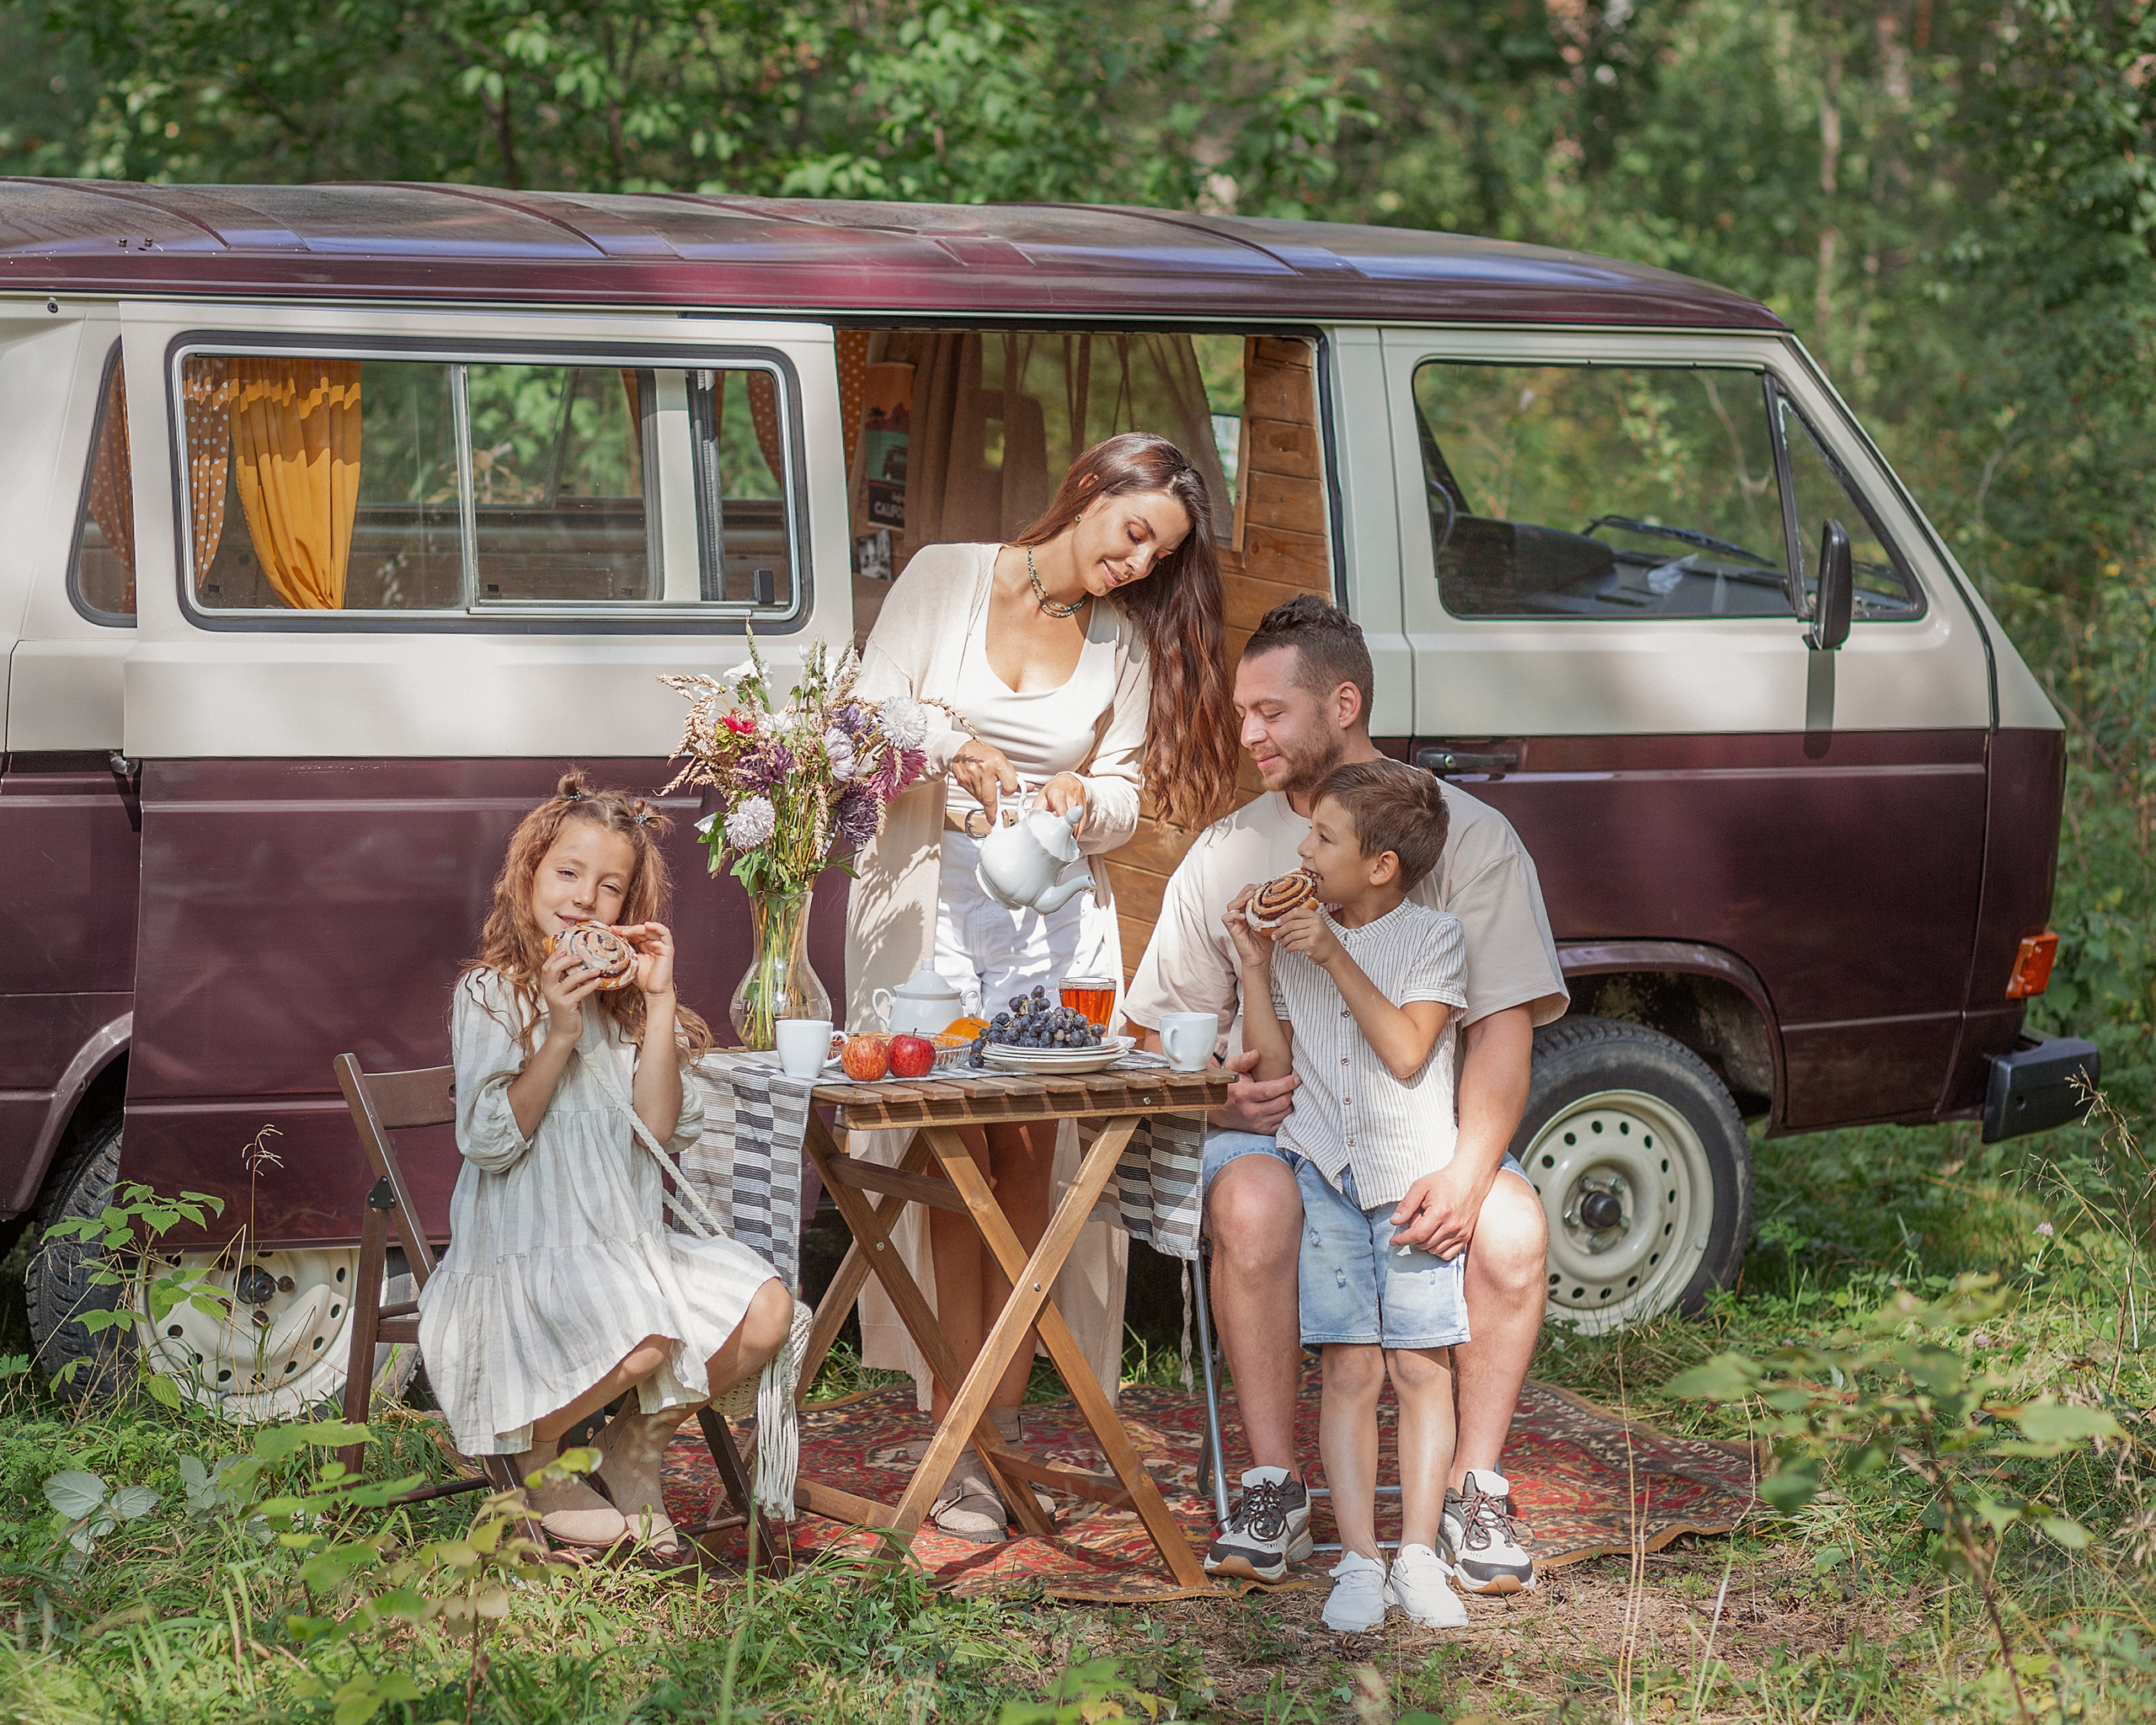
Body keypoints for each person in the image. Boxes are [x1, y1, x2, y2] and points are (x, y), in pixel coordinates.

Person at [1123, 595, 1568, 1591]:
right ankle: (1275, 1484)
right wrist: (1212, 1099)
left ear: (1344, 702)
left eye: (1270, 712)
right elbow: (1151, 1028)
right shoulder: (1226, 852)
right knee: (1250, 1196)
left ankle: (1474, 1491)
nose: (1248, 736)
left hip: (1424, 1130)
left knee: (1510, 1227)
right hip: (1284, 1134)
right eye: (1242, 714)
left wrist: (1464, 1168)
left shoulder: (1468, 841)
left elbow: (1501, 1024)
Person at [847, 431, 1241, 1542]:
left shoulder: (1119, 642)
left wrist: (1082, 800)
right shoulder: (944, 576)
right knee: (949, 1158)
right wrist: (949, 744)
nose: (1136, 566)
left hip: (1052, 932)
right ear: (1089, 493)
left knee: (1028, 1166)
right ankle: (951, 1428)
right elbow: (868, 714)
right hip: (936, 915)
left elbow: (1127, 792)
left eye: (1158, 557)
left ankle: (1001, 1433)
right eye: (1133, 535)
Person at [416, 774, 796, 1555]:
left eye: (609, 887)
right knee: (648, 1336)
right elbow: (489, 1142)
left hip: (626, 1251)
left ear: (629, 909)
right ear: (528, 880)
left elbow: (659, 1133)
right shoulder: (491, 996)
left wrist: (658, 1002)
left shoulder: (624, 1012)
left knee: (765, 1309)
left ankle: (632, 1449)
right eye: (568, 874)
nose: (585, 899)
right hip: (523, 1260)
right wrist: (557, 1033)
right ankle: (528, 1448)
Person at [1225, 759, 1470, 1631]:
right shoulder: (1297, 935)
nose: (1303, 849)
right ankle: (1359, 1558)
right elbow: (1278, 1071)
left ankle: (1418, 1554)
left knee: (1418, 1365)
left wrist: (1329, 954)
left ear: (1381, 865)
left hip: (1409, 1180)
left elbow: (1407, 1052)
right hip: (1325, 1173)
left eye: (1324, 837)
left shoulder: (1433, 936)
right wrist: (1256, 966)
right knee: (1349, 1365)